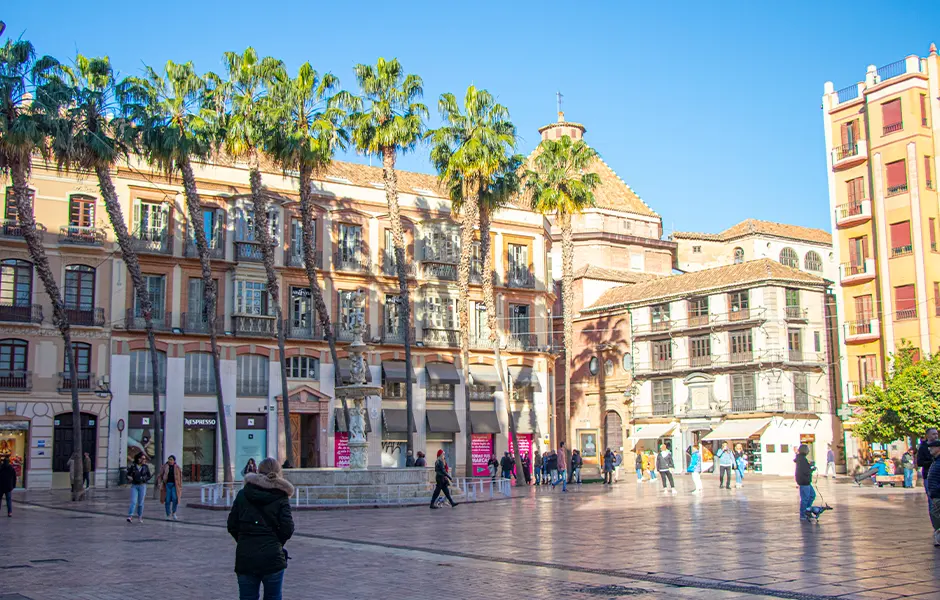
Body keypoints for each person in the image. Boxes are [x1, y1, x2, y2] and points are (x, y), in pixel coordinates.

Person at [227, 457, 295, 600]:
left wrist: (244, 539)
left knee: (247, 597)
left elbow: (232, 524)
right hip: (272, 557)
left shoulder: (243, 494)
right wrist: (276, 542)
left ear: (258, 471)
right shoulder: (281, 497)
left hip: (246, 556)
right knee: (273, 596)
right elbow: (287, 528)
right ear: (279, 472)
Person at [126, 452, 151, 523]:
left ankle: (140, 516)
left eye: (145, 459)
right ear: (138, 459)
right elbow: (128, 474)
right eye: (142, 459)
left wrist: (144, 478)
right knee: (133, 501)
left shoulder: (145, 467)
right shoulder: (133, 466)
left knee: (140, 502)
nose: (144, 460)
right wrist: (129, 478)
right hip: (134, 485)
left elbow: (148, 476)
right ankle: (130, 516)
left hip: (142, 485)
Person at [795, 444, 817, 522]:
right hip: (804, 481)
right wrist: (811, 469)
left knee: (812, 495)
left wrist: (809, 466)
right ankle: (803, 514)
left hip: (806, 481)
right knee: (805, 498)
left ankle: (807, 510)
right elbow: (805, 471)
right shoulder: (802, 460)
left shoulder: (802, 459)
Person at [924, 440, 940, 546]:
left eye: (932, 447)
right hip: (935, 495)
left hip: (938, 494)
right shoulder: (935, 460)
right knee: (935, 515)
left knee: (936, 515)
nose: (930, 449)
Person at [159, 455, 183, 521]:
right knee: (167, 500)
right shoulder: (165, 467)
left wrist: (180, 485)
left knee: (175, 498)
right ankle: (168, 514)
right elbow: (160, 475)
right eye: (169, 459)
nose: (170, 461)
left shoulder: (177, 467)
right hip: (167, 485)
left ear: (174, 461)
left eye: (171, 459)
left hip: (175, 485)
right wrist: (160, 483)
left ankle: (174, 512)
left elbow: (180, 477)